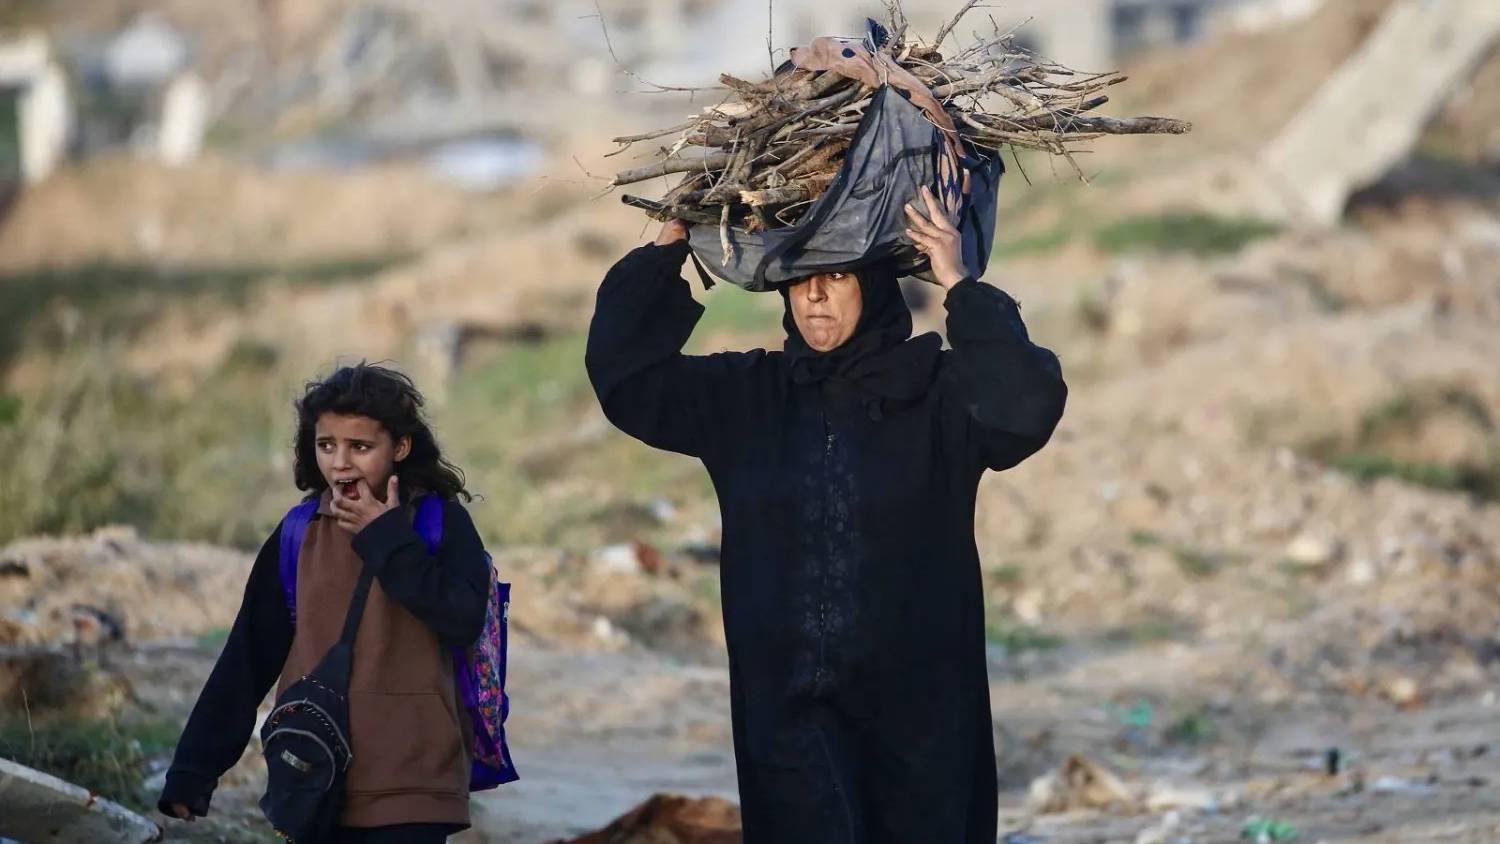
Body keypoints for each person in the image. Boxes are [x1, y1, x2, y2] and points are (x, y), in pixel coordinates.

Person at [585, 185, 1068, 844]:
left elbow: (1028, 406)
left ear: (874, 284)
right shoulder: (746, 398)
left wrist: (958, 280)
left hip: (918, 718)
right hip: (788, 710)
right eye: (799, 277)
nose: (814, 295)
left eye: (836, 274)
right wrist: (670, 237)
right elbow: (624, 379)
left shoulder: (939, 397)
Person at [157, 362, 492, 844]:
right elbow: (250, 655)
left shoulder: (441, 525)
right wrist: (193, 770)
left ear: (399, 448)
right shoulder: (298, 533)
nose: (340, 464)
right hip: (313, 775)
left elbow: (462, 618)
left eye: (360, 447)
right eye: (326, 445)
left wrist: (387, 538)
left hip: (413, 784)